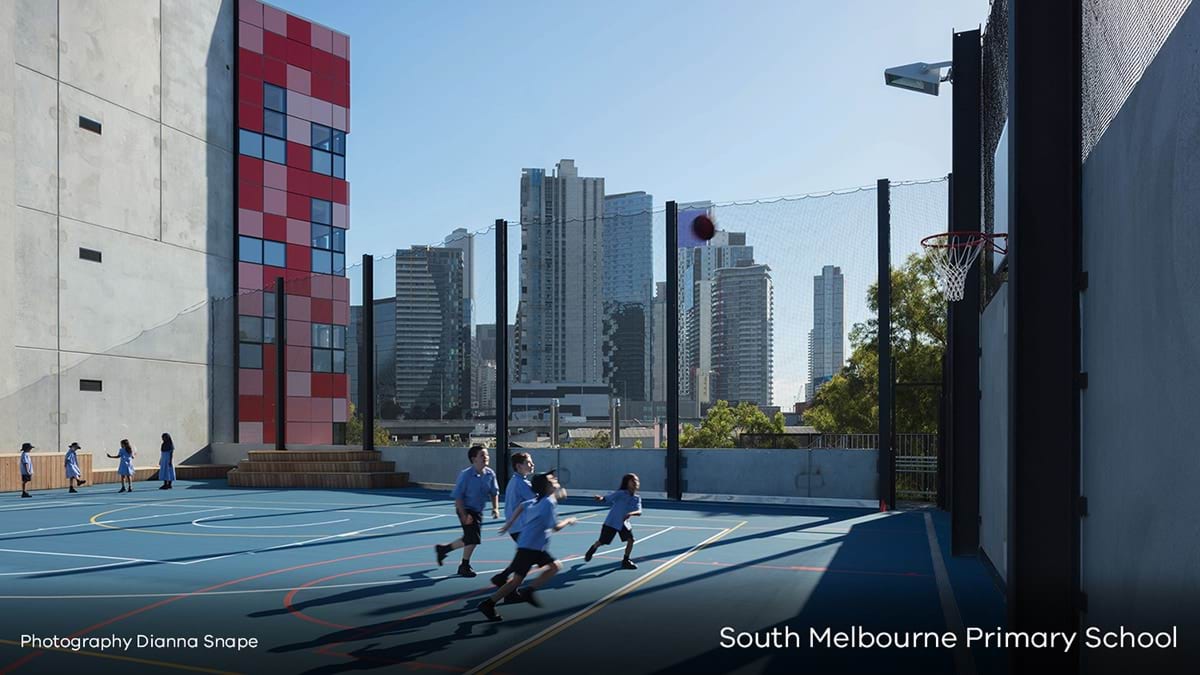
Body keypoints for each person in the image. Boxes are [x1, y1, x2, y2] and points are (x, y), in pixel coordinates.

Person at [478, 472, 576, 621]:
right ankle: (499, 600)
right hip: (530, 547)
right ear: (546, 487)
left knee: (528, 576)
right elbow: (555, 527)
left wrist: (508, 524)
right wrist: (569, 520)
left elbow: (522, 506)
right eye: (551, 481)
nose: (555, 481)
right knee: (548, 569)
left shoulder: (537, 500)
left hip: (532, 546)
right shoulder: (548, 503)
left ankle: (495, 601)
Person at [435, 445, 499, 577]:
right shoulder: (466, 475)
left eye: (487, 455)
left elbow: (494, 492)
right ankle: (464, 566)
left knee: (469, 538)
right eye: (482, 455)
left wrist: (495, 508)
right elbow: (458, 497)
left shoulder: (490, 474)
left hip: (478, 510)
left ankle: (444, 549)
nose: (486, 457)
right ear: (473, 459)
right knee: (473, 539)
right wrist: (464, 515)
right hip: (465, 508)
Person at [490, 452, 538, 590]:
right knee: (527, 558)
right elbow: (536, 500)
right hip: (520, 526)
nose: (532, 464)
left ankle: (503, 577)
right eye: (528, 463)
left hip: (517, 526)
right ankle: (509, 589)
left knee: (524, 557)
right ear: (518, 466)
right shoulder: (521, 483)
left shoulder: (516, 481)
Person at [583, 473, 643, 570]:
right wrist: (600, 498)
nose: (635, 482)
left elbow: (639, 511)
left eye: (637, 480)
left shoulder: (637, 498)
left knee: (631, 540)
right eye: (633, 481)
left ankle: (626, 560)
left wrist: (630, 514)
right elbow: (607, 498)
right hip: (612, 522)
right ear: (626, 483)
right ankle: (593, 548)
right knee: (602, 542)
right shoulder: (620, 493)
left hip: (624, 523)